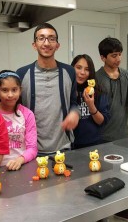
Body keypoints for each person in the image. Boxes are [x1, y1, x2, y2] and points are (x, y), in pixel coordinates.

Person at [95, 37, 128, 222]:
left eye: (120, 55)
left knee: (120, 174)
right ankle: (100, 212)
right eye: (114, 55)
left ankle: (121, 208)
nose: (118, 59)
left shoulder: (126, 76)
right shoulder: (96, 78)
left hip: (121, 135)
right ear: (103, 57)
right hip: (100, 136)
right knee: (100, 175)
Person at [17, 23, 80, 155]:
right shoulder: (22, 74)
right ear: (34, 45)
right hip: (31, 149)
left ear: (57, 45)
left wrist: (75, 113)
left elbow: (74, 102)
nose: (47, 43)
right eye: (41, 38)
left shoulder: (69, 72)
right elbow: (16, 109)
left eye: (52, 39)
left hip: (63, 146)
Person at [0, 70, 38, 171]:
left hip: (22, 165)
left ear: (20, 91)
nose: (10, 95)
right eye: (5, 90)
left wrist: (20, 160)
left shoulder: (27, 114)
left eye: (14, 90)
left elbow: (32, 148)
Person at [70, 54, 110, 149]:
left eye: (87, 69)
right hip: (70, 145)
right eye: (78, 67)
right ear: (71, 68)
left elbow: (102, 121)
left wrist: (91, 105)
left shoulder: (98, 91)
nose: (82, 72)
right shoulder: (66, 90)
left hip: (94, 144)